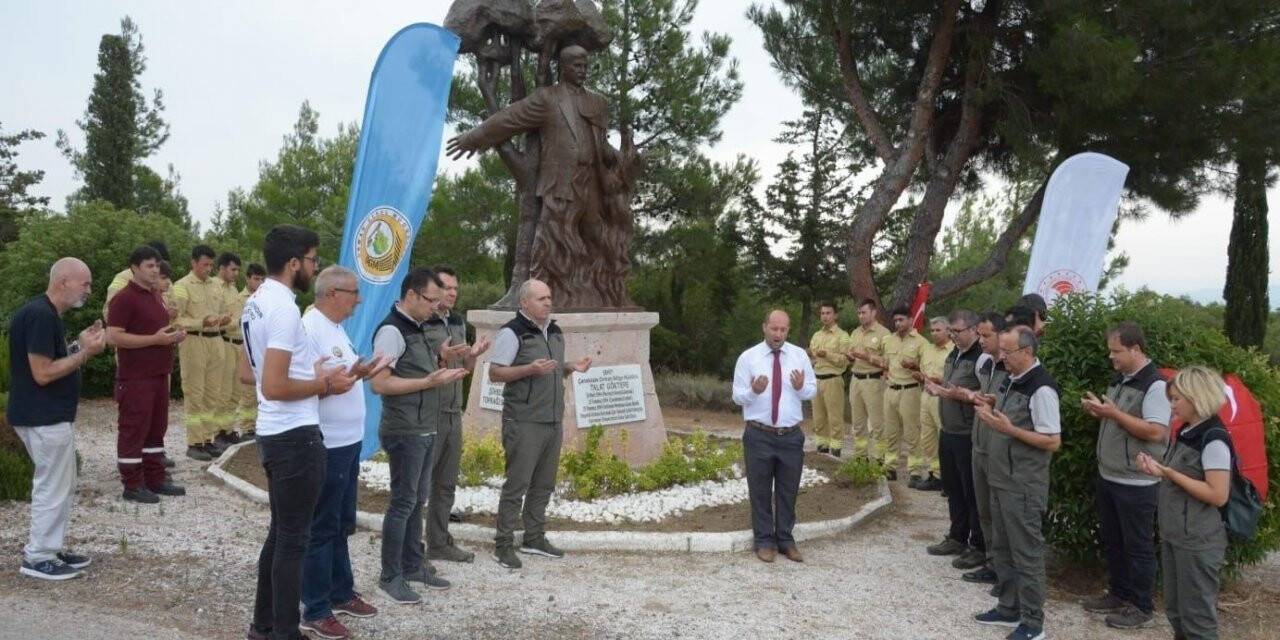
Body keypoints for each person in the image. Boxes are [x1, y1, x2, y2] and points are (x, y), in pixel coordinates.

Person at [242, 225, 360, 640]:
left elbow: (250, 373)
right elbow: (274, 386)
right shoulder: (285, 309)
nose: (315, 267)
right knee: (293, 541)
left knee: (280, 537)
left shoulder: (255, 303)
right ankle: (285, 632)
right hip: (295, 437)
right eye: (312, 259)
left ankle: (264, 625)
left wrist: (313, 374)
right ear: (294, 263)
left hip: (274, 434)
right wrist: (324, 384)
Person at [369, 267, 466, 603]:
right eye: (430, 300)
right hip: (405, 429)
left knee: (416, 502)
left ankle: (412, 565)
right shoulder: (392, 331)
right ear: (411, 295)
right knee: (403, 503)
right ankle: (390, 575)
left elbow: (422, 369)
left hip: (425, 426)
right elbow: (379, 383)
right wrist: (428, 382)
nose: (435, 308)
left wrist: (443, 365)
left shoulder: (419, 327)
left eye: (439, 302)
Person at [298, 266, 385, 640]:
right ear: (333, 292)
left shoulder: (335, 329)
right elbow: (297, 386)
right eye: (354, 292)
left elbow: (338, 377)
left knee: (341, 522)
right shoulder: (309, 328)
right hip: (327, 442)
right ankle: (314, 608)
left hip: (348, 442)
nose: (359, 299)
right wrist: (331, 384)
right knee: (321, 526)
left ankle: (340, 591)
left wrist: (359, 372)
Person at [9, 257, 105, 580]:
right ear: (63, 281)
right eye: (86, 283)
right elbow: (43, 373)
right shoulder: (40, 315)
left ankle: (51, 547)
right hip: (43, 417)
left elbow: (53, 358)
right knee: (52, 486)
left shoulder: (47, 314)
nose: (89, 290)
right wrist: (86, 354)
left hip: (48, 415)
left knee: (62, 484)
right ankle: (38, 557)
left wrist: (79, 343)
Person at [488, 279, 591, 569]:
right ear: (525, 303)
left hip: (551, 419)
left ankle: (534, 538)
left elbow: (552, 370)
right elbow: (495, 374)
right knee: (517, 484)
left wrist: (571, 367)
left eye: (549, 297)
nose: (548, 302)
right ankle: (503, 544)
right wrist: (528, 369)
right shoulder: (512, 332)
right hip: (523, 420)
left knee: (544, 484)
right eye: (541, 298)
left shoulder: (555, 331)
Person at [973, 326, 1061, 640]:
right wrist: (995, 404)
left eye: (1008, 352)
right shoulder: (1014, 381)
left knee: (1027, 552)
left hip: (1023, 484)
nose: (1002, 356)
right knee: (1003, 546)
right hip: (1001, 478)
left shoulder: (1042, 389)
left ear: (1026, 352)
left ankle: (1033, 623)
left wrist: (1010, 430)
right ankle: (1009, 607)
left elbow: (1052, 441)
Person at [1080, 322, 1170, 630]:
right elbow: (1123, 420)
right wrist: (1101, 412)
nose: (1111, 357)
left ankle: (1142, 606)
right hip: (1111, 476)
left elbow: (1156, 431)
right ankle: (1118, 594)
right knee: (1114, 541)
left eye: (1116, 351)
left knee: (1138, 546)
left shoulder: (1155, 385)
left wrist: (1113, 414)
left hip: (1137, 482)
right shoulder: (1122, 379)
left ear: (1135, 349)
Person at [1136, 366, 1232, 640]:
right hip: (1176, 534)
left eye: (1177, 398)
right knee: (1177, 611)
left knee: (1198, 619)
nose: (1172, 405)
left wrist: (1169, 473)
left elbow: (1218, 494)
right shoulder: (1189, 430)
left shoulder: (1213, 438)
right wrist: (1157, 469)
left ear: (1196, 397)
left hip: (1198, 539)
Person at [731, 309, 817, 563]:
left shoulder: (799, 356)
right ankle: (764, 540)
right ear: (764, 327)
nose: (778, 334)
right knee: (759, 489)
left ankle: (786, 539)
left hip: (790, 436)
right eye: (774, 329)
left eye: (783, 330)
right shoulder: (749, 358)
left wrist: (802, 386)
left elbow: (812, 390)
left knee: (788, 490)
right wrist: (753, 391)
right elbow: (737, 395)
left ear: (787, 330)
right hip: (759, 434)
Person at [106, 245, 188, 503]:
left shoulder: (155, 296)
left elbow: (157, 333)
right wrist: (154, 339)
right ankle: (132, 483)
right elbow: (113, 336)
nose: (155, 271)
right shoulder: (124, 298)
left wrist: (173, 335)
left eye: (157, 266)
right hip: (136, 377)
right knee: (134, 429)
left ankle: (155, 477)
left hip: (158, 374)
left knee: (156, 428)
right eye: (149, 266)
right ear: (134, 268)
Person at [423, 266, 490, 564]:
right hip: (428, 413)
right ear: (432, 289)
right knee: (418, 486)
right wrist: (441, 357)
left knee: (446, 483)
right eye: (447, 287)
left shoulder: (458, 322)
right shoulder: (420, 322)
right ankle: (411, 551)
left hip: (452, 412)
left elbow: (466, 370)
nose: (452, 293)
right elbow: (413, 367)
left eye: (455, 288)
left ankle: (438, 543)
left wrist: (473, 355)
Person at [923, 309, 984, 565]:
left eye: (957, 332)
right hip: (948, 430)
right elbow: (953, 385)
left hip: (967, 432)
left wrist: (953, 394)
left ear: (973, 329)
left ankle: (978, 545)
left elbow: (984, 393)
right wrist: (940, 387)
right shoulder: (954, 354)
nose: (954, 336)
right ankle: (957, 537)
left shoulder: (982, 358)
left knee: (971, 491)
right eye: (952, 332)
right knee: (953, 488)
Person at [173, 244, 230, 460]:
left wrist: (224, 318)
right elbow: (175, 319)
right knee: (195, 394)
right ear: (193, 263)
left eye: (210, 265)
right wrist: (201, 322)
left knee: (212, 394)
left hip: (216, 342)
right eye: (204, 264)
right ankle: (194, 443)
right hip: (194, 342)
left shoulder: (216, 286)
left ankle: (208, 439)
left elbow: (225, 311)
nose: (208, 268)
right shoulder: (181, 286)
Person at [963, 312, 1007, 585]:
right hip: (980, 444)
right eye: (979, 335)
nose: (981, 340)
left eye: (986, 335)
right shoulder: (987, 365)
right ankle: (991, 562)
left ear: (1002, 335)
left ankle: (1005, 570)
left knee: (999, 511)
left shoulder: (1010, 369)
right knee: (984, 510)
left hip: (999, 449)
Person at [872, 306, 926, 481]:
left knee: (911, 432)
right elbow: (886, 362)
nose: (897, 323)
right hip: (891, 390)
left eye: (901, 320)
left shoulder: (921, 342)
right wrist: (883, 369)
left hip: (910, 391)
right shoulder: (888, 340)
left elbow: (927, 369)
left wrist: (914, 366)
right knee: (891, 431)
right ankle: (890, 467)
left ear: (910, 320)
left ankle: (915, 470)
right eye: (895, 321)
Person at [843, 299, 890, 460]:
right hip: (856, 380)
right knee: (858, 423)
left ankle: (879, 459)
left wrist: (868, 356)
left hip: (874, 381)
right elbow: (850, 355)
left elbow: (888, 362)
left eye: (864, 312)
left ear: (874, 312)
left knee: (878, 423)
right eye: (859, 313)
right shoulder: (855, 333)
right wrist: (850, 356)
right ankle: (860, 457)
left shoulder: (883, 334)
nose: (861, 316)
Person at [910, 316, 950, 490]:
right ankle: (935, 474)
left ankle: (948, 477)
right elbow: (924, 372)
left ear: (948, 330)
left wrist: (938, 380)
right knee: (927, 438)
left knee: (944, 437)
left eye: (938, 330)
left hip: (944, 398)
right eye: (932, 330)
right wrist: (920, 376)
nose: (934, 334)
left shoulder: (953, 351)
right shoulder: (927, 349)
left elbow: (956, 379)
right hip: (926, 395)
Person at [211, 252, 245, 448]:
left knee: (235, 391)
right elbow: (217, 319)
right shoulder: (214, 287)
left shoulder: (233, 290)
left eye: (237, 270)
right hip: (223, 341)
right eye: (233, 269)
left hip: (238, 344)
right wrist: (236, 322)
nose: (235, 273)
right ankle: (217, 433)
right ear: (222, 268)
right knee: (222, 392)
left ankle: (228, 429)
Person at [808, 302, 848, 457]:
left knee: (835, 417)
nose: (825, 316)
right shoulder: (816, 335)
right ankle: (822, 449)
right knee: (818, 418)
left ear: (835, 315)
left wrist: (828, 355)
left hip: (833, 379)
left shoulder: (842, 336)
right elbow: (813, 357)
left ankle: (836, 451)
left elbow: (845, 360)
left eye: (828, 313)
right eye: (823, 313)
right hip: (816, 379)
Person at [103, 239, 170, 320]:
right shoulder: (123, 278)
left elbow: (173, 307)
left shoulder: (166, 282)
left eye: (158, 266)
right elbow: (109, 313)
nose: (155, 270)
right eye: (151, 265)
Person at [236, 263, 267, 434]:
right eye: (256, 278)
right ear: (247, 278)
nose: (259, 282)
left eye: (262, 279)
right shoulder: (241, 299)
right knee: (247, 393)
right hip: (244, 346)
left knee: (259, 390)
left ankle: (256, 425)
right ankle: (246, 428)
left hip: (259, 348)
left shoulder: (264, 299)